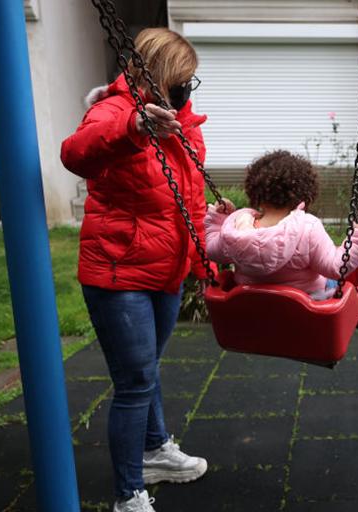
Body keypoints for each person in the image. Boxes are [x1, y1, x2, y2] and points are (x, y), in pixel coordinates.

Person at [60, 27, 209, 512]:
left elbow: (192, 199)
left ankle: (155, 450)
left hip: (165, 269)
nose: (188, 89)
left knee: (146, 371)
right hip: (118, 270)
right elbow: (75, 152)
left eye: (192, 81)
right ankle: (128, 494)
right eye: (182, 79)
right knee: (135, 383)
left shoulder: (184, 121)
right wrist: (132, 129)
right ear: (159, 74)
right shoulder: (114, 111)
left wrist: (203, 262)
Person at [205, 150, 358, 298]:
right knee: (332, 282)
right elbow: (336, 267)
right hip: (306, 312)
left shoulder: (236, 228)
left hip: (252, 310)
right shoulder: (308, 227)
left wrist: (218, 220)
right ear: (305, 195)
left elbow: (213, 251)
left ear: (255, 192)